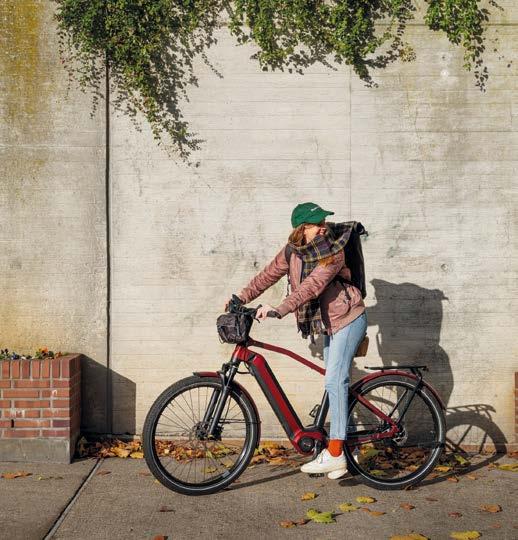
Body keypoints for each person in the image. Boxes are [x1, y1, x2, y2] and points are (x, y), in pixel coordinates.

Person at [224, 202, 367, 479]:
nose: (323, 227)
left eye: (323, 222)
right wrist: (241, 297)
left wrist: (279, 309)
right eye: (317, 224)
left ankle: (336, 453)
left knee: (334, 380)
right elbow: (268, 275)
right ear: (302, 229)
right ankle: (349, 447)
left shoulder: (333, 250)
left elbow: (311, 286)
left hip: (348, 318)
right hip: (330, 323)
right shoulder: (292, 251)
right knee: (334, 381)